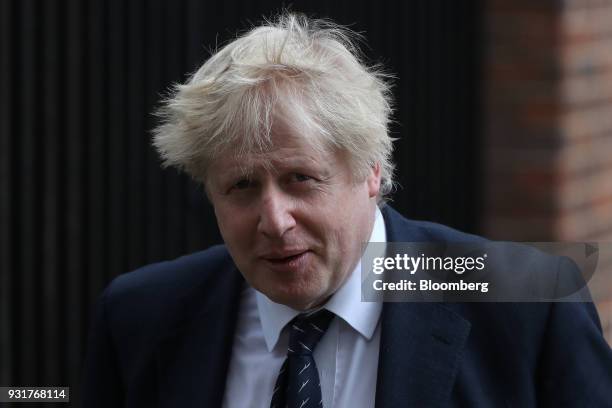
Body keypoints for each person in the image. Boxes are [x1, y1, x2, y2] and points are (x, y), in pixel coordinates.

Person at [82, 13, 612, 407]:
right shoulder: (140, 318)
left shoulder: (530, 307)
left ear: (372, 172)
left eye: (301, 180)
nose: (274, 219)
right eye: (241, 187)